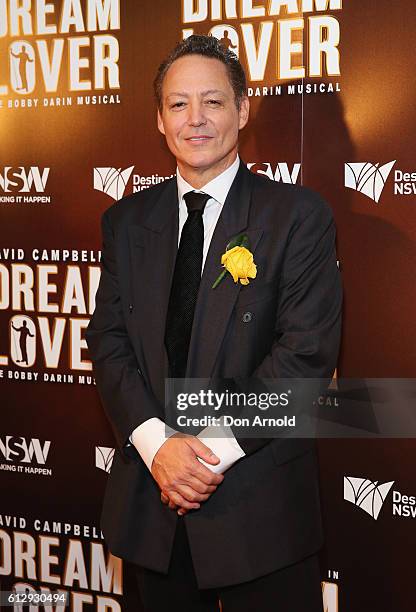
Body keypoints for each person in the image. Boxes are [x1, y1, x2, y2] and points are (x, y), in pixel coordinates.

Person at [86, 35, 342, 612]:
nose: (195, 120)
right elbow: (109, 340)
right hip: (154, 508)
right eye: (178, 105)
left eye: (213, 102)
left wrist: (201, 457)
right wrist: (158, 448)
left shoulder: (297, 217)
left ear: (243, 110)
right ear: (159, 119)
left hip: (259, 508)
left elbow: (304, 358)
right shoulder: (126, 222)